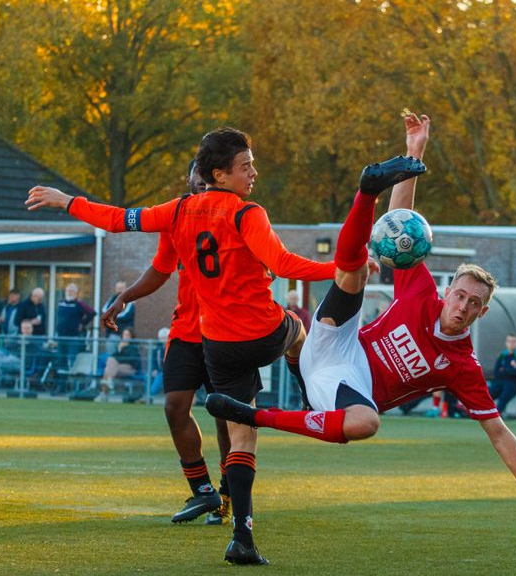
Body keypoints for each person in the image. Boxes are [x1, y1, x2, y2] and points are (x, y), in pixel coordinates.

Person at [203, 112, 516, 534]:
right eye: (459, 294)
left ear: (481, 313)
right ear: (447, 289)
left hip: (345, 394)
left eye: (473, 304)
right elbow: (399, 223)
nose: (462, 306)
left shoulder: (462, 365)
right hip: (335, 346)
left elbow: (500, 433)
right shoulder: (420, 292)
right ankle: (366, 191)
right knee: (359, 265)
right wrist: (414, 152)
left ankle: (256, 415)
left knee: (367, 423)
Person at [27, 126, 341, 565]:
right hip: (262, 333)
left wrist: (67, 202)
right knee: (298, 332)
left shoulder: (175, 213)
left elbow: (118, 219)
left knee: (240, 436)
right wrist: (342, 267)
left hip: (220, 345)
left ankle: (243, 538)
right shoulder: (247, 214)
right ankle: (305, 386)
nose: (254, 172)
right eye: (246, 166)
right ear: (220, 173)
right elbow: (283, 264)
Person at [95, 160, 233, 526]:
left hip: (226, 332)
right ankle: (203, 490)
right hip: (187, 330)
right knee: (174, 406)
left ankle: (230, 492)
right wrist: (125, 297)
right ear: (190, 179)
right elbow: (160, 268)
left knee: (225, 412)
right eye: (197, 176)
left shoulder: (237, 215)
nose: (201, 182)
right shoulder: (177, 215)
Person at [55, 283, 95, 367]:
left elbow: (92, 313)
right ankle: (62, 378)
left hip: (73, 336)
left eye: (72, 291)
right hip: (61, 335)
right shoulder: (61, 302)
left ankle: (72, 378)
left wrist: (82, 323)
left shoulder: (79, 303)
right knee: (61, 358)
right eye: (68, 290)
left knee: (73, 359)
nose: (69, 292)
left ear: (76, 293)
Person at [98, 328, 141, 399]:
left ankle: (103, 394)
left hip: (130, 369)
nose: (125, 337)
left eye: (127, 335)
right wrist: (119, 349)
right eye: (124, 335)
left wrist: (121, 352)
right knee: (107, 369)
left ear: (131, 336)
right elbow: (115, 357)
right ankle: (109, 381)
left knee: (108, 368)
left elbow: (130, 360)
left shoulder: (133, 347)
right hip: (117, 368)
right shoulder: (121, 345)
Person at [490, 333, 516, 416]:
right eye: (509, 341)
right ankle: (480, 413)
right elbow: (496, 372)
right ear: (506, 343)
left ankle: (496, 416)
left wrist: (504, 370)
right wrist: (510, 370)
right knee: (490, 394)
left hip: (515, 382)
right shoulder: (502, 355)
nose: (511, 343)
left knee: (504, 395)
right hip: (500, 380)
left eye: (514, 341)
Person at [102, 281, 135, 353]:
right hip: (112, 335)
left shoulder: (130, 300)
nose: (119, 290)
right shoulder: (111, 299)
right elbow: (104, 311)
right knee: (111, 357)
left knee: (123, 358)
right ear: (115, 289)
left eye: (122, 288)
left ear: (126, 289)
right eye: (118, 288)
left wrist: (111, 316)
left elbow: (126, 316)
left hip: (124, 337)